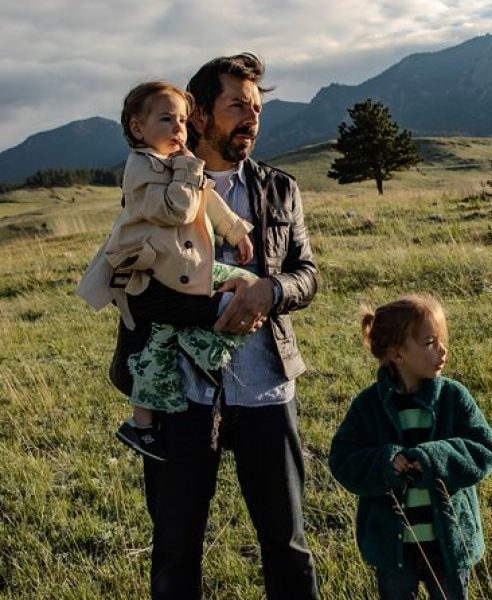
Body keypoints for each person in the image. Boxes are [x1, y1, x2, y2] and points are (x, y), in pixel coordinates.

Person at [105, 54, 319, 599]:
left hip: (267, 390)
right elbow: (135, 286)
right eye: (237, 107)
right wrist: (218, 307)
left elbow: (307, 274)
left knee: (287, 547)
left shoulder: (280, 189)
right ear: (198, 116)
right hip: (181, 397)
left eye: (256, 108)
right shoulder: (152, 185)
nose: (251, 118)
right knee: (176, 551)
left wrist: (270, 291)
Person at [77, 80, 257, 461]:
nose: (178, 129)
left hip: (185, 269)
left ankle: (205, 348)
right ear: (137, 128)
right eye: (166, 120)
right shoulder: (141, 168)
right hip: (154, 275)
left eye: (181, 120)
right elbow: (177, 210)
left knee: (249, 285)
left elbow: (208, 201)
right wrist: (188, 169)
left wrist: (236, 231)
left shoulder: (179, 165)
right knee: (155, 354)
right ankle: (141, 424)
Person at [328, 294, 492, 600]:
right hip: (393, 553)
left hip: (448, 548)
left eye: (442, 339)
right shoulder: (369, 406)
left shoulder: (453, 397)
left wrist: (434, 457)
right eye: (429, 342)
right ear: (397, 354)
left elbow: (484, 449)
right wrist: (385, 462)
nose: (442, 349)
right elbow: (342, 460)